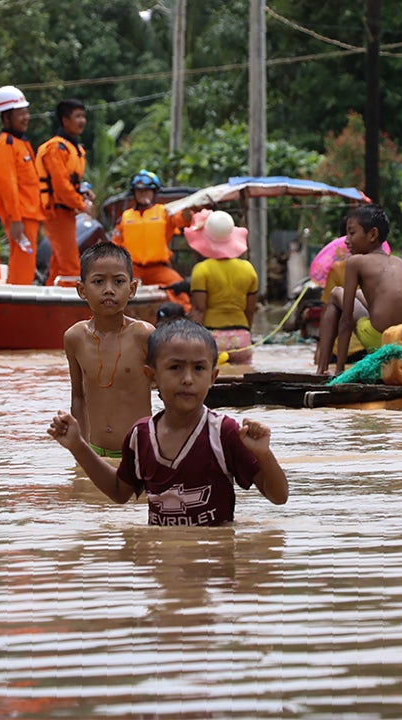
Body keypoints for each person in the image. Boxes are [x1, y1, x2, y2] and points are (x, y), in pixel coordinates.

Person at [49, 318, 288, 527]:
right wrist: (78, 445)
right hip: (160, 567)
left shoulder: (223, 432)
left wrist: (264, 454)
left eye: (199, 368)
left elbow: (278, 497)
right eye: (175, 367)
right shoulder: (141, 435)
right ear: (151, 377)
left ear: (213, 378)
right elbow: (119, 492)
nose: (187, 379)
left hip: (212, 568)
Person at [314, 205, 402, 375]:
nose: (346, 240)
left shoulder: (356, 262)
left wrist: (340, 371)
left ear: (372, 234)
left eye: (352, 233)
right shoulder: (401, 263)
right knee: (360, 295)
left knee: (337, 293)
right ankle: (324, 368)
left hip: (381, 339)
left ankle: (321, 370)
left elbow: (346, 320)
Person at [62, 241, 155, 460]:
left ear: (131, 289)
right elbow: (78, 397)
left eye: (119, 281)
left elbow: (168, 391)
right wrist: (81, 452)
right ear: (81, 290)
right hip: (95, 452)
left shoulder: (144, 335)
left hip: (139, 452)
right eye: (98, 281)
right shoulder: (74, 338)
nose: (109, 290)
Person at [185, 210, 259, 364]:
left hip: (212, 338)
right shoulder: (248, 269)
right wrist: (244, 334)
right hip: (242, 338)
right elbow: (250, 310)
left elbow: (199, 310)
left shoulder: (202, 269)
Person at [0, 85, 44, 285]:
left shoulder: (20, 143)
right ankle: (18, 306)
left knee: (25, 265)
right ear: (6, 117)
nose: (26, 117)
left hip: (30, 214)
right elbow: (7, 185)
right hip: (21, 216)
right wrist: (16, 219)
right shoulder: (5, 145)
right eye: (20, 113)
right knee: (22, 266)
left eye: (26, 112)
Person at [36, 99, 94, 286]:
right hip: (56, 211)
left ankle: (49, 299)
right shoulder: (56, 148)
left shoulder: (75, 148)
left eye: (83, 116)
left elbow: (71, 181)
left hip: (66, 213)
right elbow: (60, 186)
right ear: (65, 120)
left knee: (59, 265)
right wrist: (81, 204)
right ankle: (73, 306)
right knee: (71, 267)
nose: (82, 120)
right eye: (77, 116)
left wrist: (83, 193)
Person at [111, 170, 193, 291]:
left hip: (158, 269)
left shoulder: (164, 211)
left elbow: (183, 220)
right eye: (139, 191)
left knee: (179, 290)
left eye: (147, 190)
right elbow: (115, 245)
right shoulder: (125, 216)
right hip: (131, 269)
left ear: (154, 192)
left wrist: (188, 214)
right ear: (134, 193)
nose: (143, 194)